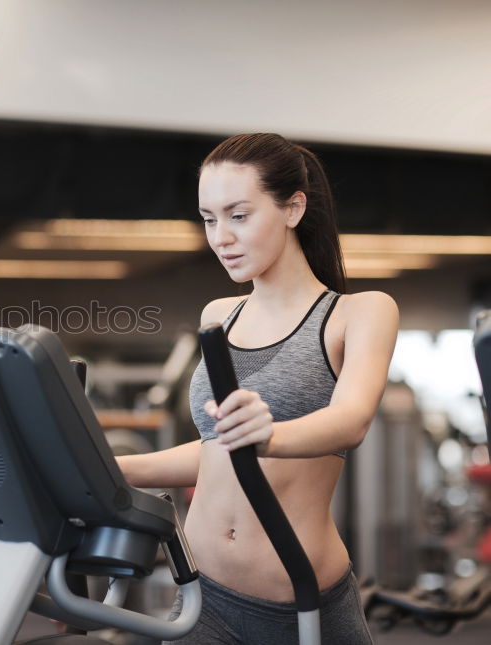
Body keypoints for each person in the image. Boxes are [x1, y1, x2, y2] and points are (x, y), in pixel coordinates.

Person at [117, 133, 398, 644]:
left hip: (300, 603)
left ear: (293, 208)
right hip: (203, 596)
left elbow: (351, 419)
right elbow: (216, 452)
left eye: (238, 215)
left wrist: (268, 436)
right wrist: (112, 469)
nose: (220, 236)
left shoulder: (359, 313)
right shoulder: (218, 316)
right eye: (208, 218)